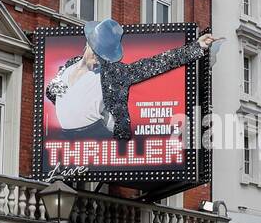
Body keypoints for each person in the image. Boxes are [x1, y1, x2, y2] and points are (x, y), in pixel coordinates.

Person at [45, 19, 219, 141]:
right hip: (66, 138)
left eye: (105, 54)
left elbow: (156, 64)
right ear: (89, 44)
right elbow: (53, 94)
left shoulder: (114, 72)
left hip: (95, 136)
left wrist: (197, 47)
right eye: (98, 51)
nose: (100, 58)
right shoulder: (68, 66)